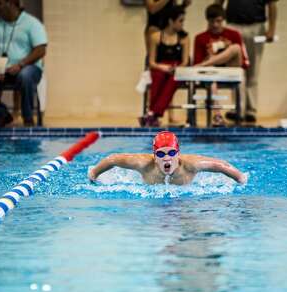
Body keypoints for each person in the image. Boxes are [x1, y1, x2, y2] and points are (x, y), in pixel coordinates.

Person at [0, 0, 47, 127]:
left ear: (11, 3)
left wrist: (21, 64)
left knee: (26, 75)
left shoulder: (32, 23)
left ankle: (28, 119)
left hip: (27, 67)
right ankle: (1, 115)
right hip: (1, 70)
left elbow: (41, 50)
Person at [88, 131, 247, 185]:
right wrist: (93, 174)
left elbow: (221, 165)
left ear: (178, 154)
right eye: (161, 154)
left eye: (171, 153)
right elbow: (113, 159)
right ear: (154, 156)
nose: (167, 158)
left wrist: (240, 179)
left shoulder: (191, 165)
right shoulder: (143, 164)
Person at [216, 0, 278, 123]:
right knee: (235, 70)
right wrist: (215, 25)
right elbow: (217, 3)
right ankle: (236, 108)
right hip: (233, 25)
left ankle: (251, 110)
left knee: (252, 70)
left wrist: (271, 29)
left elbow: (272, 4)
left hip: (256, 26)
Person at [193, 4, 249, 126]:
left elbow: (242, 60)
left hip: (230, 70)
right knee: (211, 78)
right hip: (212, 73)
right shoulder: (200, 38)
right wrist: (209, 60)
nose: (215, 24)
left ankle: (239, 112)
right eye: (212, 21)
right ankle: (217, 116)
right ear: (207, 20)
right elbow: (197, 63)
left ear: (223, 20)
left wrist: (211, 60)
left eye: (218, 21)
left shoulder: (234, 35)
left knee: (235, 48)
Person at [140, 5, 189, 127]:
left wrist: (175, 68)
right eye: (180, 21)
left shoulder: (184, 38)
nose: (182, 24)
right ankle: (154, 114)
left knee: (174, 77)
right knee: (158, 75)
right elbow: (151, 62)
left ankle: (153, 114)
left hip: (177, 69)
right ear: (171, 21)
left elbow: (185, 61)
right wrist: (163, 67)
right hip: (160, 68)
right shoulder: (155, 37)